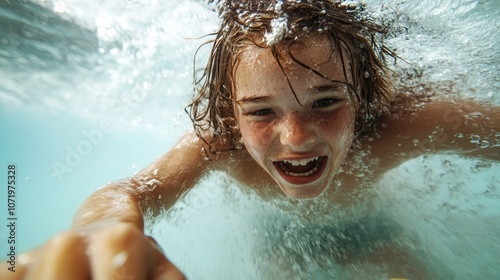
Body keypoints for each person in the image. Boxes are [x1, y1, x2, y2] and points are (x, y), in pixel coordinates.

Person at [2, 0, 498, 279]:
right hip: (278, 244)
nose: (297, 137)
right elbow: (127, 192)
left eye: (326, 102)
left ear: (363, 96)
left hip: (378, 230)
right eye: (261, 112)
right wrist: (99, 233)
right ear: (229, 116)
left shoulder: (399, 124)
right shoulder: (219, 145)